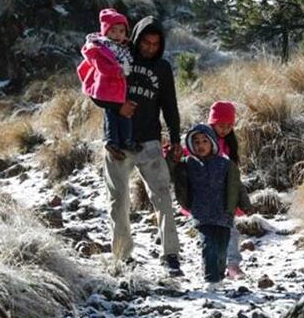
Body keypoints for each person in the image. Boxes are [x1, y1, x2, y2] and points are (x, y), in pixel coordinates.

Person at [104, 16, 183, 276]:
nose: (149, 47)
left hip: (149, 141)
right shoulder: (117, 56)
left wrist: (175, 138)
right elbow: (96, 90)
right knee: (119, 201)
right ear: (137, 39)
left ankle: (171, 255)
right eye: (146, 42)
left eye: (155, 44)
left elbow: (170, 105)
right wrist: (117, 109)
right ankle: (122, 257)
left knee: (162, 197)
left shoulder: (162, 68)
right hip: (117, 142)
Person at [172, 124, 241, 286]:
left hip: (223, 214)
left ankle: (219, 275)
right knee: (208, 245)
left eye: (204, 141)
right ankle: (211, 278)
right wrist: (172, 160)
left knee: (222, 248)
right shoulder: (188, 163)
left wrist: (245, 204)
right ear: (190, 145)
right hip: (201, 214)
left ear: (213, 143)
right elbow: (173, 173)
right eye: (196, 142)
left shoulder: (224, 164)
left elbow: (236, 185)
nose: (200, 145)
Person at [77, 8, 137, 159]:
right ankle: (112, 140)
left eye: (122, 31)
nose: (118, 35)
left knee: (124, 113)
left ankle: (126, 139)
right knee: (112, 113)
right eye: (113, 31)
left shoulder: (123, 48)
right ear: (105, 32)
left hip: (118, 89)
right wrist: (117, 71)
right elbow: (101, 67)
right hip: (105, 88)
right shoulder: (99, 47)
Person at [205, 101, 252, 279]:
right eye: (220, 125)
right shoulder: (202, 140)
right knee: (210, 235)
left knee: (231, 230)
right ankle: (214, 267)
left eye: (229, 126)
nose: (224, 130)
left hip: (225, 198)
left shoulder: (230, 145)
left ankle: (233, 265)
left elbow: (234, 176)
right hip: (207, 198)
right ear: (212, 123)